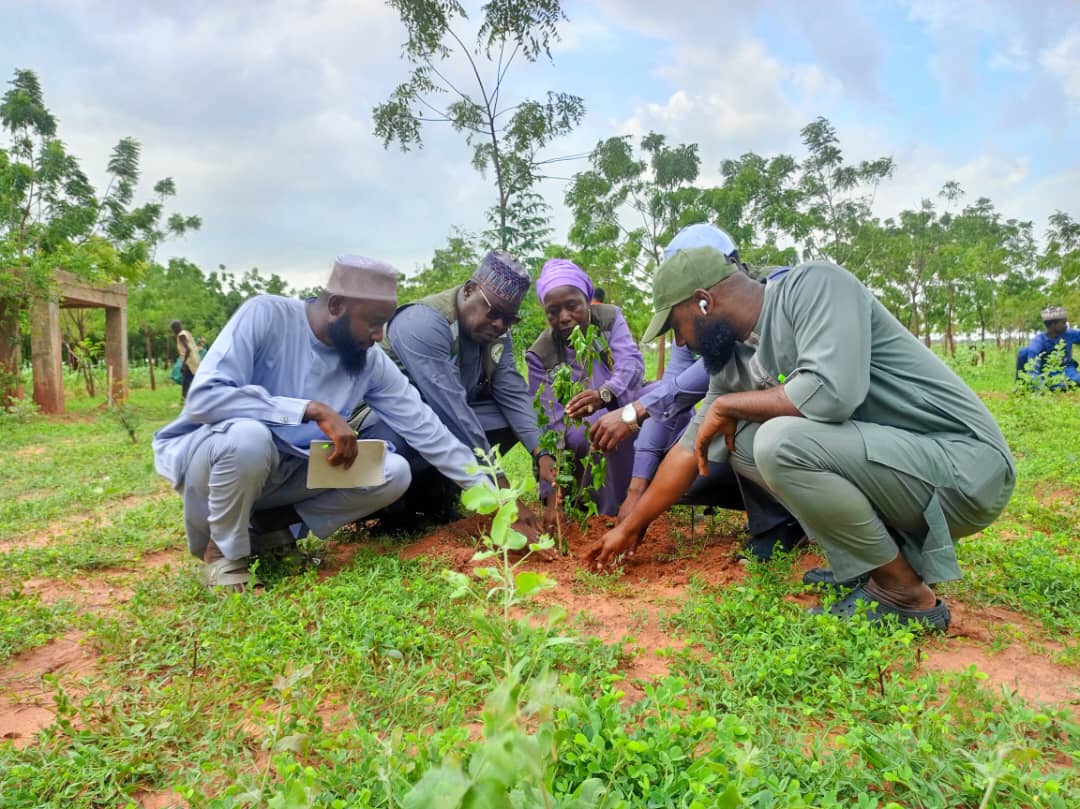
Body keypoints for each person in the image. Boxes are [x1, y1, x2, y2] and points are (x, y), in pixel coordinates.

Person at [590, 247, 1016, 631]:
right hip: (905, 471)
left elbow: (831, 393)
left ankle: (902, 593)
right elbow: (689, 448)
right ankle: (873, 566)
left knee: (777, 441)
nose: (680, 341)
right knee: (749, 444)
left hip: (965, 467)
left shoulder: (814, 286)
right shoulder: (733, 362)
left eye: (676, 326)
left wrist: (727, 406)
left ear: (703, 301)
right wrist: (631, 525)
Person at [152, 255, 495, 589]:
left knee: (392, 471)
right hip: (219, 463)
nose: (379, 336)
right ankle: (222, 553)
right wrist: (309, 409)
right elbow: (204, 398)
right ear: (335, 306)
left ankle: (269, 527)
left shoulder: (368, 359)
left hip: (289, 469)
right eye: (373, 322)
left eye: (383, 324)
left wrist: (495, 497)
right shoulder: (267, 315)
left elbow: (426, 427)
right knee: (250, 438)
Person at [589, 224, 805, 561]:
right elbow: (675, 394)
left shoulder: (785, 293)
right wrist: (638, 490)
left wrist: (633, 412)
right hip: (789, 431)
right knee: (684, 473)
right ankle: (784, 518)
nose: (680, 341)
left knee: (743, 419)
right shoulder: (709, 335)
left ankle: (785, 521)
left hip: (821, 426)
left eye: (677, 327)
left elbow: (698, 381)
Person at [356, 250, 555, 519]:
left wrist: (542, 453)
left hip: (439, 420)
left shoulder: (498, 333)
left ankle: (436, 495)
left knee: (510, 420)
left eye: (509, 319)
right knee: (401, 440)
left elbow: (514, 395)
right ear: (469, 290)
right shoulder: (422, 323)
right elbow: (453, 412)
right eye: (494, 312)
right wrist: (505, 498)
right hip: (381, 424)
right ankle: (389, 506)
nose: (499, 325)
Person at [526, 259, 644, 525]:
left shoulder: (610, 319)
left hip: (623, 398)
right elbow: (549, 422)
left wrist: (604, 394)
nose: (564, 318)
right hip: (581, 426)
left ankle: (657, 488)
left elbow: (630, 364)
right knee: (590, 430)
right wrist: (552, 496)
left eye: (572, 306)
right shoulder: (540, 353)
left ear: (587, 299)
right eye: (553, 311)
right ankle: (608, 510)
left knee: (660, 400)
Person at [1016, 306, 1079, 389]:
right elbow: (1033, 369)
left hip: (1068, 370)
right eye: (1063, 323)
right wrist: (1038, 385)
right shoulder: (1038, 341)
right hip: (1047, 372)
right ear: (1053, 325)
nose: (1066, 325)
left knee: (1074, 380)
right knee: (1023, 352)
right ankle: (1021, 386)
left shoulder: (1069, 334)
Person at [171, 320, 200, 400]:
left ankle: (184, 398)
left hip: (189, 360)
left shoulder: (181, 335)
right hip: (194, 358)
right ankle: (189, 397)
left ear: (176, 328)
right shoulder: (185, 333)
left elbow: (188, 349)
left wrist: (183, 364)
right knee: (192, 378)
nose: (173, 331)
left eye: (173, 329)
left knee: (186, 381)